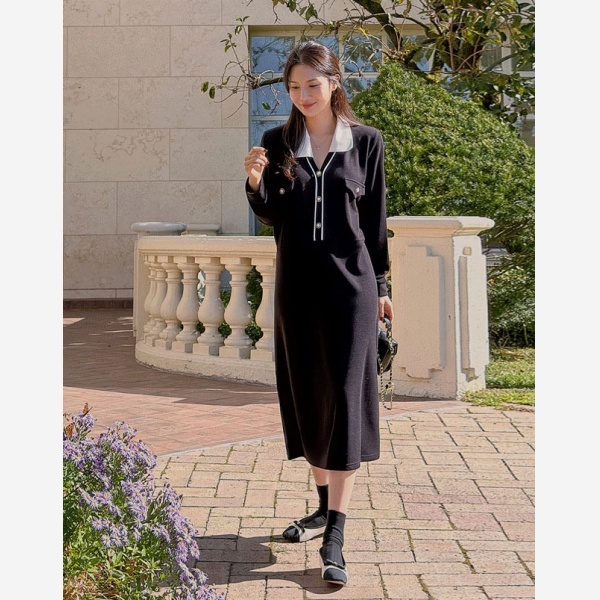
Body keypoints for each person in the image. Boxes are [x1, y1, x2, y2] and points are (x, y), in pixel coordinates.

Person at [243, 40, 393, 587]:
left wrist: (382, 285)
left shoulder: (366, 143)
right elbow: (273, 215)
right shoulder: (276, 143)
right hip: (298, 289)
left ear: (334, 83)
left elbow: (374, 220)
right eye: (293, 87)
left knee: (347, 398)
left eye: (312, 84)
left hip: (352, 290)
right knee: (309, 394)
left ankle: (335, 532)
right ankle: (323, 506)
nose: (303, 95)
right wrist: (255, 184)